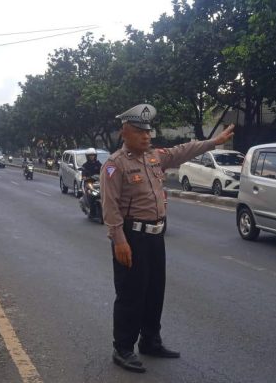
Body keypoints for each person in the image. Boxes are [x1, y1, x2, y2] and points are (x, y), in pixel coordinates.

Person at [100, 104, 234, 373]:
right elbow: (110, 206)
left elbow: (184, 149)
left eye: (149, 131)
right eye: (140, 131)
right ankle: (123, 347)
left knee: (154, 291)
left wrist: (214, 142)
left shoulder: (155, 157)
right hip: (132, 237)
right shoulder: (115, 165)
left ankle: (150, 340)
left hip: (155, 237)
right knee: (130, 294)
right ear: (125, 132)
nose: (146, 136)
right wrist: (119, 240)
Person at [81, 148, 103, 217]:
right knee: (90, 194)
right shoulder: (85, 165)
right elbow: (83, 174)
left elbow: (103, 170)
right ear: (87, 156)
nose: (91, 156)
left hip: (98, 181)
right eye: (90, 155)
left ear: (95, 156)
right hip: (89, 182)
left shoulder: (98, 164)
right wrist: (84, 177)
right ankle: (91, 210)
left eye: (93, 155)